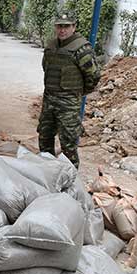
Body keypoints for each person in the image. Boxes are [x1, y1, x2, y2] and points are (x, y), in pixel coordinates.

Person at [38, 13, 101, 168]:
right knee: (45, 137)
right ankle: (47, 171)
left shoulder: (81, 49)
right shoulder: (51, 46)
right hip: (49, 100)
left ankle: (71, 179)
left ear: (74, 27)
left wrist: (77, 93)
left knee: (68, 142)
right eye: (60, 26)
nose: (62, 30)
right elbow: (46, 67)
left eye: (66, 26)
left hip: (68, 103)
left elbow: (93, 76)